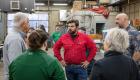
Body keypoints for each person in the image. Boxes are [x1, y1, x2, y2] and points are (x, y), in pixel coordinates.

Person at [3, 12, 29, 80]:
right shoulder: (15, 39)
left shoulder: (15, 36)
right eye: (28, 23)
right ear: (23, 24)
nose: (29, 26)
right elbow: (16, 66)